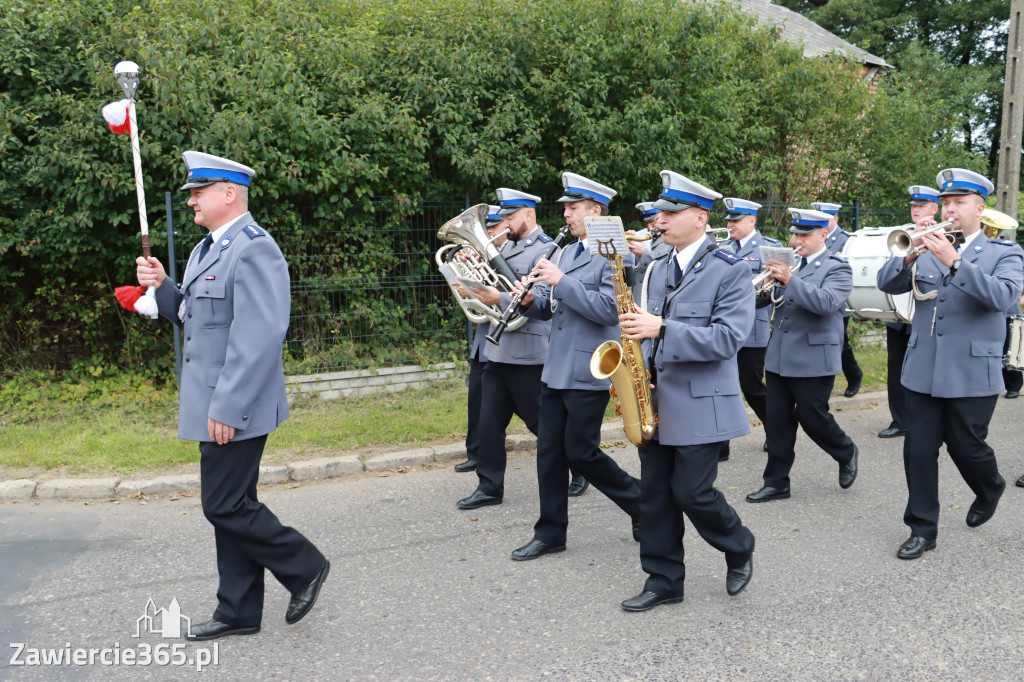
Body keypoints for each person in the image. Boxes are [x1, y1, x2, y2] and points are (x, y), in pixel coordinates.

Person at [136, 152, 329, 640]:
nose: (192, 200)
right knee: (233, 504)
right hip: (214, 399)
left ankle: (304, 566)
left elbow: (260, 335)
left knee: (223, 506)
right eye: (191, 193)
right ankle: (238, 610)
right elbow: (195, 318)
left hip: (234, 402)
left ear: (229, 193)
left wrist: (227, 405)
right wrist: (163, 288)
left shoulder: (254, 248)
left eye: (199, 191)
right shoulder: (208, 248)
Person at [616, 171, 755, 611]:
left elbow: (728, 338)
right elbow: (645, 330)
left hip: (703, 402)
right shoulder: (655, 268)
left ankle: (738, 544)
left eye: (671, 212)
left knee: (692, 493)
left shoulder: (731, 270)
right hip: (658, 399)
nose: (661, 219)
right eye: (662, 212)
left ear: (699, 218)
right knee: (654, 494)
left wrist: (661, 328)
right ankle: (663, 580)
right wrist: (642, 364)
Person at [876, 168, 1023, 559]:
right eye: (946, 203)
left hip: (972, 369)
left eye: (959, 203)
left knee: (967, 446)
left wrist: (956, 261)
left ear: (980, 208)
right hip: (923, 367)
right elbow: (887, 283)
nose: (950, 210)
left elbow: (1002, 296)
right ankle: (922, 529)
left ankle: (989, 487)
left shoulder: (1004, 252)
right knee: (918, 451)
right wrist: (909, 251)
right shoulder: (925, 246)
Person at [509, 172, 643, 561]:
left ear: (595, 210)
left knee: (581, 453)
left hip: (589, 368)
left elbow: (609, 309)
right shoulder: (566, 250)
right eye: (566, 207)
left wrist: (562, 281)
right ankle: (550, 532)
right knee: (549, 453)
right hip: (556, 367)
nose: (566, 213)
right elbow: (551, 307)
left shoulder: (611, 254)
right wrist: (527, 300)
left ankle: (639, 502)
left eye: (573, 207)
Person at [456, 190, 563, 509]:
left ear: (528, 215)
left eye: (510, 217)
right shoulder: (508, 243)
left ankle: (579, 467)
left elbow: (541, 300)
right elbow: (491, 280)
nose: (504, 224)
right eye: (502, 218)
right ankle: (489, 487)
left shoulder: (547, 248)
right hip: (497, 350)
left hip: (528, 352)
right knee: (488, 423)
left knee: (541, 424)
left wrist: (495, 295)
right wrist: (471, 266)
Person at [746, 208, 859, 503]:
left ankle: (845, 450)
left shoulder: (837, 267)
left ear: (824, 235)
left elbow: (826, 303)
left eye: (804, 234)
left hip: (814, 356)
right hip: (780, 356)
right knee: (778, 421)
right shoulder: (790, 264)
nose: (797, 239)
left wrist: (788, 280)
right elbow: (765, 300)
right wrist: (756, 289)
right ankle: (776, 482)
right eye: (795, 233)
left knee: (812, 417)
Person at [718, 198, 780, 461]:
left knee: (752, 386)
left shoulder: (769, 248)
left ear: (752, 221)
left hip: (752, 329)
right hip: (723, 328)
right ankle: (720, 444)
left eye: (736, 220)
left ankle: (775, 430)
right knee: (720, 385)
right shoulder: (722, 248)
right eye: (729, 220)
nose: (730, 224)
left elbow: (773, 289)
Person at [879, 187, 939, 438]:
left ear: (935, 209)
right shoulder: (902, 234)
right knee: (896, 368)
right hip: (899, 315)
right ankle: (899, 420)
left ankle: (927, 419)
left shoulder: (946, 234)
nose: (915, 209)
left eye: (922, 205)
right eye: (913, 205)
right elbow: (885, 275)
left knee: (925, 367)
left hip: (926, 316)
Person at [454, 206, 507, 473]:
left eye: (494, 228)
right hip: (483, 342)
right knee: (477, 403)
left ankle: (577, 465)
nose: (489, 233)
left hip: (510, 345)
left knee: (537, 416)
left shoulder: (510, 258)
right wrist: (466, 284)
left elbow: (507, 297)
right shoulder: (481, 258)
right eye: (488, 228)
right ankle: (475, 453)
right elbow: (475, 304)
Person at [813, 201, 863, 397]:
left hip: (836, 298)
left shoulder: (846, 240)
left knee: (839, 343)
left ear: (835, 219)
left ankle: (854, 375)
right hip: (814, 294)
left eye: (826, 219)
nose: (822, 224)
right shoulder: (815, 235)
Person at [629, 201, 671, 294]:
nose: (649, 226)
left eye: (652, 221)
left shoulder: (671, 238)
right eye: (646, 223)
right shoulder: (645, 237)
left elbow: (667, 262)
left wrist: (644, 253)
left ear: (663, 217)